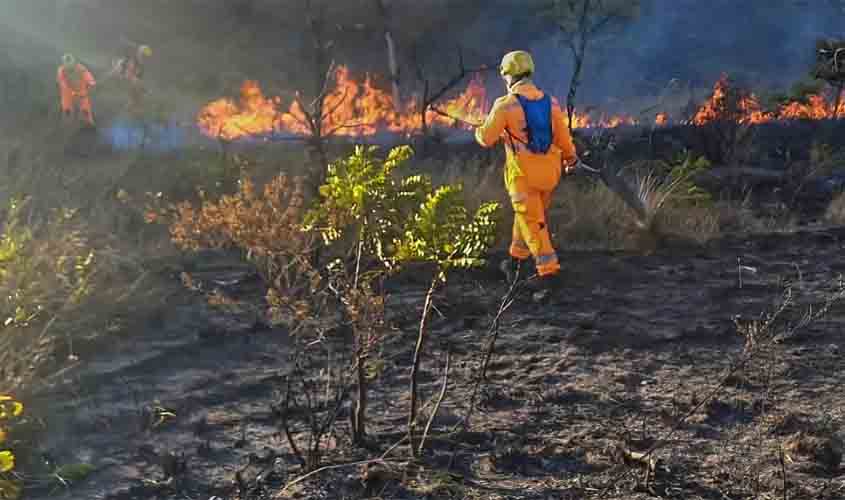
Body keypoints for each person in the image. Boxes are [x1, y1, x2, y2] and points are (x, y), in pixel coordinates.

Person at [474, 50, 579, 300]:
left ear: (509, 76)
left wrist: (479, 130)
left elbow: (486, 138)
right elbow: (564, 138)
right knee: (530, 217)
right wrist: (571, 158)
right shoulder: (550, 102)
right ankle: (515, 261)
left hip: (524, 177)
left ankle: (549, 275)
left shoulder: (505, 105)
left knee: (534, 223)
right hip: (550, 174)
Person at [109, 39, 152, 113]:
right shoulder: (130, 63)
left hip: (128, 73)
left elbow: (137, 78)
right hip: (125, 71)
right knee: (134, 79)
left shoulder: (138, 66)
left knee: (135, 80)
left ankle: (135, 101)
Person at [57, 53, 97, 127]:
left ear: (73, 62)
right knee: (67, 108)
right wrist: (72, 93)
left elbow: (86, 74)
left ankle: (88, 120)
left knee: (85, 108)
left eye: (70, 64)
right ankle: (68, 119)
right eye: (67, 64)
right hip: (68, 93)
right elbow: (63, 84)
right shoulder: (61, 71)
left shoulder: (80, 68)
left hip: (81, 90)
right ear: (64, 64)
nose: (69, 66)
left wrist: (91, 82)